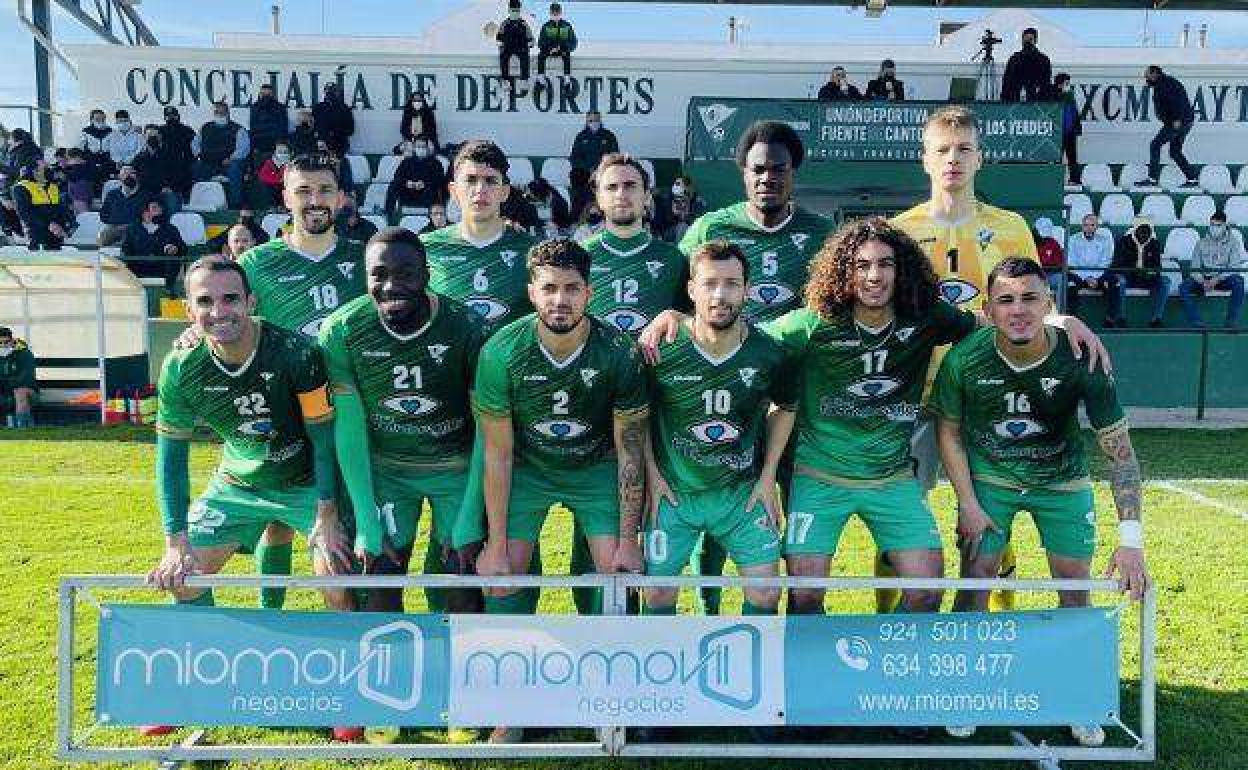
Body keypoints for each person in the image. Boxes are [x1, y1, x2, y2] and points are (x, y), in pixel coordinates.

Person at [930, 257, 1148, 747]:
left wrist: (1131, 541)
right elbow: (949, 434)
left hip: (1062, 481)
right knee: (975, 579)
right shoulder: (965, 359)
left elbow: (1122, 455)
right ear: (988, 308)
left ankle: (1078, 695)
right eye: (1006, 300)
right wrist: (967, 502)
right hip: (991, 479)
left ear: (1050, 303)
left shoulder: (1081, 357)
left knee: (1073, 587)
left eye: (1031, 297)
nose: (1019, 309)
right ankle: (966, 691)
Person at [473, 238, 649, 741]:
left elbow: (630, 450)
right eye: (549, 288)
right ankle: (512, 705)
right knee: (504, 574)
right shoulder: (502, 351)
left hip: (595, 466)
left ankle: (605, 694)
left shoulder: (618, 352)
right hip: (529, 466)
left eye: (572, 289)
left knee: (613, 572)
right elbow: (499, 452)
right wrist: (497, 542)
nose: (560, 300)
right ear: (532, 292)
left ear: (590, 292)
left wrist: (630, 539)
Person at [144, 256, 354, 622]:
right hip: (238, 485)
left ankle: (351, 672)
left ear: (250, 302)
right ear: (188, 309)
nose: (219, 311)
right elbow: (170, 460)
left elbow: (325, 442)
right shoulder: (179, 367)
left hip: (307, 484)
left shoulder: (295, 353)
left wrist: (328, 513)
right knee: (183, 577)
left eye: (230, 299)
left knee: (340, 585)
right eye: (205, 302)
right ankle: (203, 666)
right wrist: (175, 543)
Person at [319, 226, 488, 615]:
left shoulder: (468, 328)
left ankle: (456, 671)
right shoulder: (342, 330)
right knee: (379, 573)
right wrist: (365, 518)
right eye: (378, 274)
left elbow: (488, 430)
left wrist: (469, 515)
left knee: (461, 574)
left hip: (455, 467)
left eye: (406, 273)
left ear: (426, 276)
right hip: (386, 469)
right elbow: (348, 428)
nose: (391, 285)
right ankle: (387, 670)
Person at [643, 239, 793, 619]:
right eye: (709, 284)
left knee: (765, 595)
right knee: (657, 595)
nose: (720, 294)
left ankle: (749, 671)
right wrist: (653, 475)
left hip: (740, 494)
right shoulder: (662, 349)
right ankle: (664, 672)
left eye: (731, 283)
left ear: (747, 289)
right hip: (674, 494)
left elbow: (786, 407)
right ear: (692, 290)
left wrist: (768, 476)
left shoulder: (769, 352)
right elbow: (635, 415)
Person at [679, 121, 833, 323]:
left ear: (792, 172)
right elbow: (672, 290)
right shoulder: (709, 228)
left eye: (778, 169)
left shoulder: (823, 232)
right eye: (758, 169)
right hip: (731, 352)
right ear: (744, 174)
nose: (767, 178)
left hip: (797, 353)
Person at [420, 140, 540, 330]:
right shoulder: (424, 248)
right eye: (470, 180)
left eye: (490, 181)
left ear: (505, 192)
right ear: (454, 191)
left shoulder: (533, 252)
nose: (480, 189)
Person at [584, 153, 686, 336]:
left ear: (647, 196)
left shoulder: (673, 258)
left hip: (656, 363)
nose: (621, 194)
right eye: (612, 187)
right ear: (599, 198)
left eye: (630, 186)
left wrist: (680, 318)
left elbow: (694, 318)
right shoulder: (580, 255)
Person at [1179, 211, 1245, 329]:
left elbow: (1234, 267)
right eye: (1212, 224)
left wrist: (1217, 279)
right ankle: (1197, 322)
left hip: (1224, 279)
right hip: (1205, 279)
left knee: (1239, 281)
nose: (1214, 228)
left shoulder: (1233, 243)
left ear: (1225, 226)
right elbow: (1194, 268)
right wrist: (1202, 281)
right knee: (1184, 287)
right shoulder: (1201, 243)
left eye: (1218, 225)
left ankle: (1231, 322)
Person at [1137, 65, 1198, 188]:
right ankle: (1192, 179)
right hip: (1183, 122)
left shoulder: (1166, 84)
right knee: (1175, 152)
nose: (1145, 77)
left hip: (1177, 122)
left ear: (1155, 73)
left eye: (1147, 75)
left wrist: (1177, 119)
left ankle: (1153, 178)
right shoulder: (1163, 83)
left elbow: (1178, 101)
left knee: (1155, 145)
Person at [1108, 217, 1170, 328]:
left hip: (1146, 277)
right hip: (1128, 276)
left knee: (1165, 282)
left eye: (1148, 232)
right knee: (1120, 281)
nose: (1145, 235)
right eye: (1142, 231)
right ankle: (1120, 317)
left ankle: (1156, 319)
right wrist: (1134, 271)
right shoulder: (1124, 241)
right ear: (1136, 230)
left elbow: (1157, 266)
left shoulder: (1154, 243)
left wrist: (1150, 272)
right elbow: (1117, 265)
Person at [192, 101, 250, 208]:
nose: (219, 114)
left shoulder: (238, 129)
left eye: (222, 112)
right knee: (196, 167)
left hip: (228, 163)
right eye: (216, 112)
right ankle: (198, 203)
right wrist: (199, 155)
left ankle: (235, 204)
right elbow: (195, 144)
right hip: (208, 162)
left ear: (228, 113)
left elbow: (243, 149)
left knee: (235, 168)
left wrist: (231, 158)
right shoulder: (205, 127)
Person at [1057, 213, 1115, 317]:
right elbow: (1072, 262)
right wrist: (1087, 277)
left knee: (1113, 282)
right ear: (1082, 226)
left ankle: (1110, 318)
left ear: (1097, 227)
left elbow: (1105, 262)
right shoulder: (1073, 240)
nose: (1089, 228)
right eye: (1086, 225)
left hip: (1098, 276)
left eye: (1092, 225)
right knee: (1070, 284)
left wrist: (1095, 278)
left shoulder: (1104, 241)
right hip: (1078, 275)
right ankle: (1073, 318)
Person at [121, 199, 187, 289]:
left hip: (163, 268)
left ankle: (169, 291)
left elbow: (183, 248)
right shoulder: (132, 229)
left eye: (159, 208)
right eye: (154, 208)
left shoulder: (170, 229)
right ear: (144, 211)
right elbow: (125, 250)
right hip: (138, 267)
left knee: (173, 262)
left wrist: (175, 248)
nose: (158, 210)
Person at [11, 161, 73, 251]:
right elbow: (25, 213)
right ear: (34, 171)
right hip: (37, 235)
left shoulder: (53, 186)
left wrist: (66, 227)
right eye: (45, 168)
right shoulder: (21, 187)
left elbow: (62, 209)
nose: (49, 170)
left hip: (57, 235)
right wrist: (49, 224)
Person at [568, 111, 620, 220]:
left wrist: (599, 168)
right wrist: (588, 168)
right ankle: (575, 219)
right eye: (591, 121)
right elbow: (574, 157)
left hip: (604, 171)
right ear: (586, 122)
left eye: (596, 120)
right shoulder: (581, 137)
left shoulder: (609, 136)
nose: (593, 123)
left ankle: (607, 216)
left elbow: (615, 156)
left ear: (600, 121)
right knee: (576, 177)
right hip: (585, 172)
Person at [386, 139, 445, 216]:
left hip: (426, 194)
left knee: (432, 188)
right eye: (418, 146)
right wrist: (407, 183)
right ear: (414, 148)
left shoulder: (436, 163)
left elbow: (440, 179)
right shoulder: (406, 161)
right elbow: (397, 177)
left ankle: (431, 215)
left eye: (423, 146)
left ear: (427, 148)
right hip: (408, 192)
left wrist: (425, 184)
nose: (420, 149)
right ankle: (389, 213)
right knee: (394, 185)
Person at [98, 164, 153, 247]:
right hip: (114, 228)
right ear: (119, 177)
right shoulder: (112, 194)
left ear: (137, 176)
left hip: (137, 229)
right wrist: (116, 224)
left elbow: (151, 217)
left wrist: (129, 226)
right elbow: (103, 215)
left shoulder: (147, 196)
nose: (128, 176)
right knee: (103, 236)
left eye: (131, 173)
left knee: (129, 236)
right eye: (124, 173)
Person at [132, 126, 181, 216]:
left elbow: (177, 176)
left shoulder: (171, 155)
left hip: (165, 191)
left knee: (171, 200)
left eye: (155, 135)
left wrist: (169, 186)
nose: (152, 138)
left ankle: (169, 227)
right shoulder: (139, 158)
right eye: (150, 135)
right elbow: (135, 176)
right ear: (144, 137)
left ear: (160, 137)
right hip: (145, 191)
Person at [1001, 27, 1052, 103]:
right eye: (1025, 39)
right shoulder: (1014, 58)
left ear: (1035, 41)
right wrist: (1005, 96)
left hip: (1036, 101)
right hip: (1014, 100)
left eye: (1030, 39)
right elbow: (1007, 79)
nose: (1027, 42)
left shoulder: (1043, 59)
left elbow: (1046, 81)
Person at [0, 327, 37, 428]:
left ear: (12, 341)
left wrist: (7, 383)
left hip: (28, 392)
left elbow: (26, 378)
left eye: (6, 342)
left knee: (20, 391)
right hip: (4, 392)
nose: (3, 346)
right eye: (0, 343)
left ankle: (23, 428)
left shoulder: (25, 354)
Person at [651, 174, 705, 242]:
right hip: (665, 232)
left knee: (683, 227)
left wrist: (685, 216)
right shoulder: (664, 200)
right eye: (677, 184)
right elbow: (657, 224)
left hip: (686, 233)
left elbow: (697, 222)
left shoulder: (696, 203)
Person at [157, 107, 196, 201]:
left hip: (184, 164)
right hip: (165, 164)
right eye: (168, 116)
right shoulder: (160, 130)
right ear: (164, 118)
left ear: (178, 116)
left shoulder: (187, 130)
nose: (171, 118)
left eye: (173, 115)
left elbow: (193, 150)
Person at [1051, 74, 1083, 185]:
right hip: (1058, 133)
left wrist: (1077, 128)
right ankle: (1055, 180)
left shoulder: (1071, 97)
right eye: (1066, 83)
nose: (1068, 85)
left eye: (1069, 83)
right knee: (1057, 157)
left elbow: (1075, 113)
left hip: (1070, 132)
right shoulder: (1053, 95)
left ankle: (1075, 179)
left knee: (1072, 157)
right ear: (1059, 84)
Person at [496, 0, 535, 89]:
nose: (515, 13)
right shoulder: (505, 23)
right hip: (508, 47)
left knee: (525, 57)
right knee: (503, 57)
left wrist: (530, 42)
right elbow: (499, 36)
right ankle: (505, 80)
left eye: (517, 11)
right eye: (513, 10)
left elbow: (530, 36)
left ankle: (524, 79)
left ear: (519, 11)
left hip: (521, 47)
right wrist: (500, 43)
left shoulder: (523, 23)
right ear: (509, 11)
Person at [77, 108, 115, 195]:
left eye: (102, 119)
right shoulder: (86, 131)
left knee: (107, 183)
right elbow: (80, 148)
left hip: (107, 160)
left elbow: (114, 147)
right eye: (97, 119)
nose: (100, 121)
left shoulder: (110, 131)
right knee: (92, 183)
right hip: (91, 160)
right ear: (91, 120)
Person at [313, 83, 355, 156]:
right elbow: (313, 127)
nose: (330, 94)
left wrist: (334, 132)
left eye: (333, 91)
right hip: (321, 148)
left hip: (339, 147)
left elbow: (350, 130)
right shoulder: (318, 108)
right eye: (328, 92)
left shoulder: (344, 108)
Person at [248, 82, 289, 157]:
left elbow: (283, 128)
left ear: (272, 94)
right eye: (263, 94)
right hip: (259, 144)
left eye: (268, 94)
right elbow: (252, 127)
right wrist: (254, 146)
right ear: (260, 94)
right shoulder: (255, 107)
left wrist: (279, 144)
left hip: (275, 143)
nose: (265, 96)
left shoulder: (280, 108)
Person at [537, 2, 577, 76]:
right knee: (541, 55)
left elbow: (573, 42)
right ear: (550, 13)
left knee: (567, 55)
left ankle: (567, 78)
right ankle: (541, 77)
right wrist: (550, 48)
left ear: (560, 13)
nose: (555, 15)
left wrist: (563, 47)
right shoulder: (546, 26)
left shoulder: (567, 26)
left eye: (557, 13)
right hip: (549, 50)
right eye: (553, 13)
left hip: (563, 50)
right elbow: (540, 42)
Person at [61, 148, 94, 213]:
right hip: (80, 196)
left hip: (80, 196)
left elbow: (72, 177)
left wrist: (64, 169)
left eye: (69, 159)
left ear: (77, 157)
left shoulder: (79, 168)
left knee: (84, 215)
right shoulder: (84, 165)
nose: (68, 161)